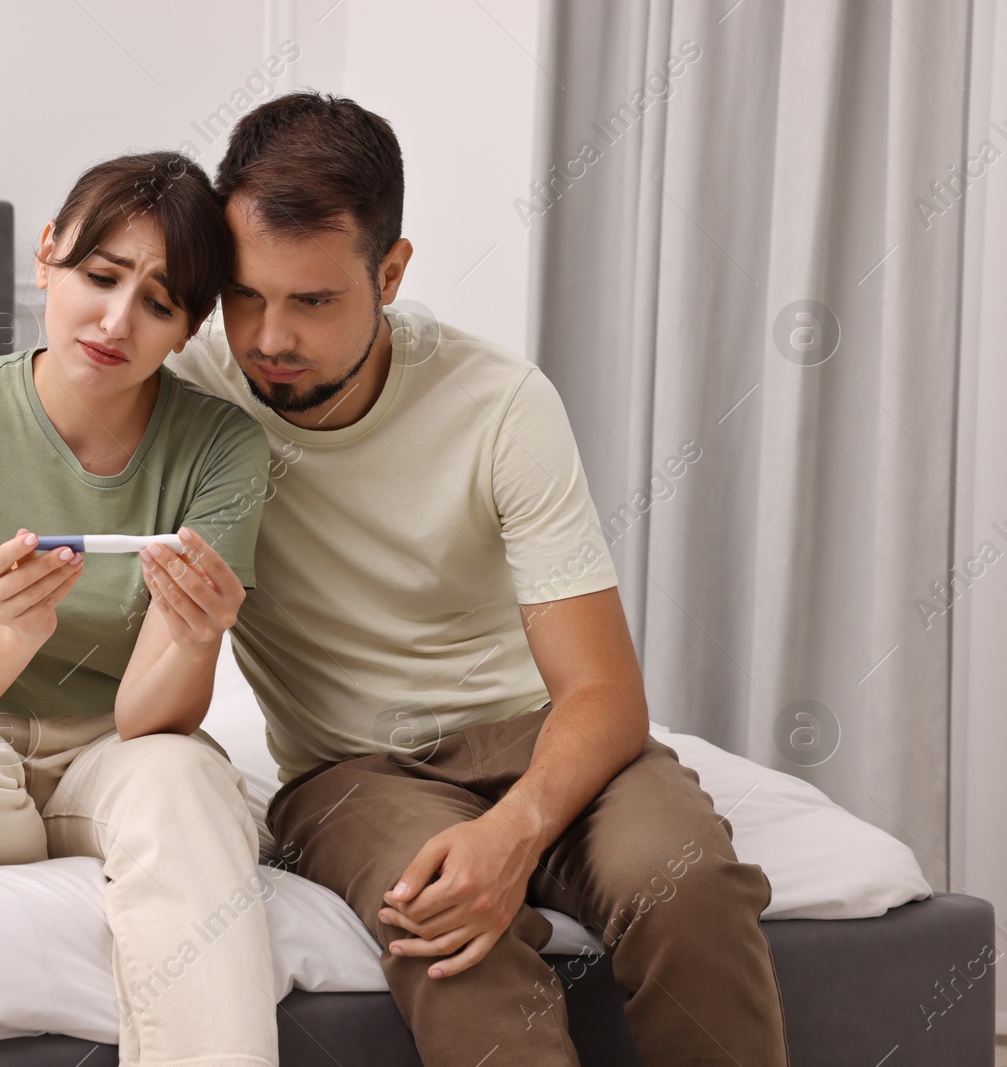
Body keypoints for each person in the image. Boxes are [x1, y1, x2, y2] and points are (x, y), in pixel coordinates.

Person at [167, 92, 791, 1067]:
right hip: (349, 770)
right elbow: (29, 415)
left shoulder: (498, 402)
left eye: (313, 299)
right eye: (244, 294)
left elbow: (602, 691)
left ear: (391, 270)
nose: (268, 338)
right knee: (444, 927)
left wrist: (514, 833)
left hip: (540, 731)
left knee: (686, 883)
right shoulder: (192, 396)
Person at [0, 150, 280, 1066]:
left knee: (186, 784)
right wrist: (13, 626)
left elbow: (152, 721)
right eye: (99, 276)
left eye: (158, 304)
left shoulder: (223, 445)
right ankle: (48, 833)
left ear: (189, 327)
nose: (116, 322)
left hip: (115, 742)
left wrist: (199, 636)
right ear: (47, 255)